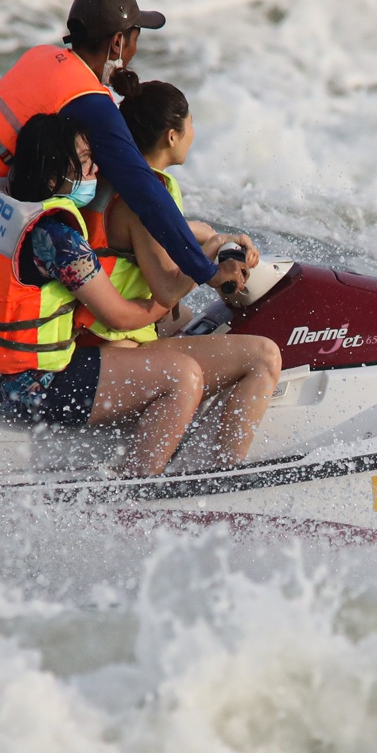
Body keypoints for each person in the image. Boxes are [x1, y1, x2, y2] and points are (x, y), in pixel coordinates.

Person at [0, 0, 250, 392]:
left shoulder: (44, 58)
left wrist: (200, 237)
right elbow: (147, 194)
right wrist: (204, 270)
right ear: (117, 42)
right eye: (134, 39)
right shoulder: (88, 102)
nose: (134, 48)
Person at [0, 114, 234, 477]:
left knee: (178, 326)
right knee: (182, 376)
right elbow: (123, 317)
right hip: (24, 386)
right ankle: (138, 490)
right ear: (53, 177)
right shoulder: (58, 239)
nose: (97, 166)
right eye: (84, 161)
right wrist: (179, 282)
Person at [83, 74, 281, 467]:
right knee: (264, 356)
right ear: (172, 136)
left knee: (196, 319)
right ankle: (222, 473)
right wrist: (207, 255)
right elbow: (166, 291)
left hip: (100, 328)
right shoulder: (144, 197)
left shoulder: (120, 176)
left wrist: (213, 235)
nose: (194, 133)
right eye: (190, 124)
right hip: (112, 344)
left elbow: (152, 242)